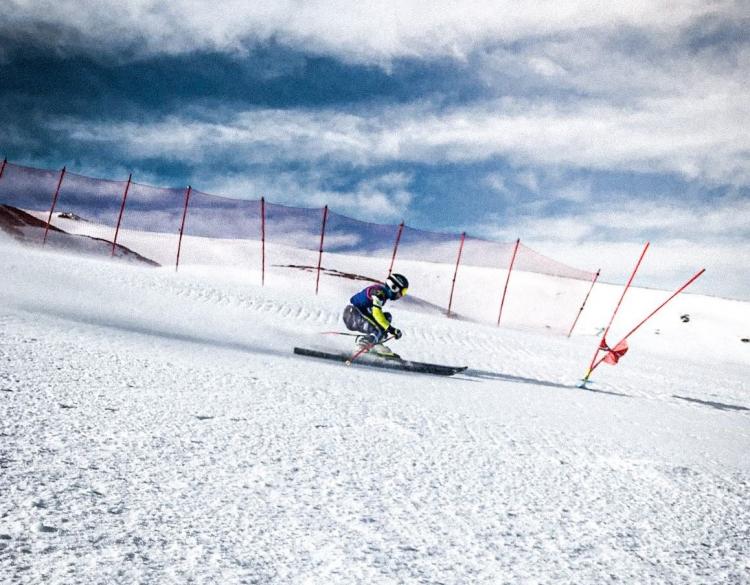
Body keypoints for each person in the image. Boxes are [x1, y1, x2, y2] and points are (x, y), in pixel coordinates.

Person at [342, 273, 409, 357]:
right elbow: (376, 313)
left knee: (387, 317)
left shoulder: (382, 294)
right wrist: (391, 329)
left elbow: (375, 314)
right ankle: (361, 347)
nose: (402, 295)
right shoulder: (379, 293)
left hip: (357, 313)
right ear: (394, 287)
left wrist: (386, 329)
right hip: (352, 314)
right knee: (378, 329)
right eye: (402, 291)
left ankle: (375, 344)